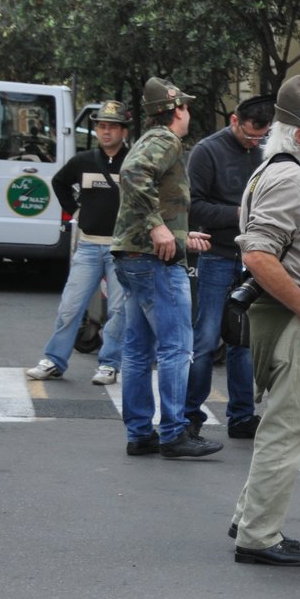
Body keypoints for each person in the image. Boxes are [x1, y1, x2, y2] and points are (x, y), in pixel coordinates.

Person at [228, 76, 300, 566]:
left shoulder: (287, 171)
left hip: (288, 316)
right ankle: (258, 536)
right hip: (294, 318)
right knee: (288, 426)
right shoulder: (291, 178)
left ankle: (250, 517)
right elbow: (258, 254)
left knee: (283, 421)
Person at [111, 77, 218, 459]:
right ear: (178, 111)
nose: (188, 114)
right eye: (186, 108)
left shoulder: (148, 139)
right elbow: (133, 175)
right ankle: (174, 432)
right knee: (177, 347)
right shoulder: (166, 141)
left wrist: (179, 233)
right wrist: (159, 228)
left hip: (134, 256)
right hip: (155, 261)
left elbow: (143, 189)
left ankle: (140, 433)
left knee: (139, 349)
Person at [185, 94, 275, 439]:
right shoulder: (207, 151)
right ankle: (191, 415)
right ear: (234, 121)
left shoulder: (262, 151)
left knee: (243, 341)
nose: (255, 143)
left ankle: (241, 416)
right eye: (250, 135)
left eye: (260, 137)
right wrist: (239, 214)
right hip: (215, 255)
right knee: (206, 339)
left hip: (251, 256)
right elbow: (194, 206)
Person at [25, 100, 132, 385]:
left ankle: (109, 364)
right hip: (87, 246)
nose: (105, 132)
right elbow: (59, 182)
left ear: (124, 131)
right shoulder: (83, 161)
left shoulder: (134, 162)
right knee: (70, 306)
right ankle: (54, 360)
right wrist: (74, 210)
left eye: (111, 127)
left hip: (122, 249)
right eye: (101, 126)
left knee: (119, 310)